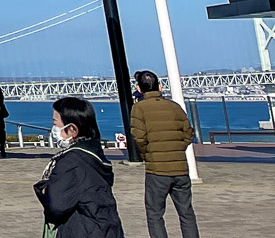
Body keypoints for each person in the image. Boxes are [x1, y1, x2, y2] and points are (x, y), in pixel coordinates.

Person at [37, 97, 126, 237]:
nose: (54, 129)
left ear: (72, 129)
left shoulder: (71, 161)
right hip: (106, 226)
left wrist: (44, 189)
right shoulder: (94, 152)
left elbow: (57, 205)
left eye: (55, 123)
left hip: (81, 229)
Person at [128, 69, 198, 238]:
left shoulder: (139, 108)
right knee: (186, 213)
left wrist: (148, 155)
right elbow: (188, 133)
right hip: (180, 168)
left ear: (138, 88)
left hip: (157, 171)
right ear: (160, 86)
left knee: (155, 214)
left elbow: (139, 137)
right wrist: (178, 148)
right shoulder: (174, 107)